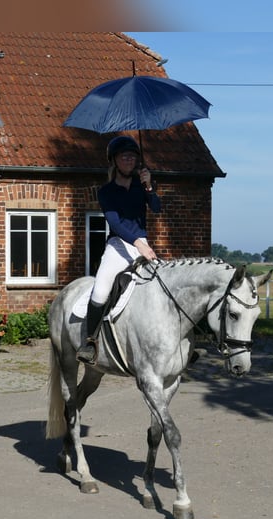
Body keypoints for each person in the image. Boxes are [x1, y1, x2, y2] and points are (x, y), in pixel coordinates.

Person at [76, 135, 162, 365]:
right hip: (119, 245)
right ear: (114, 160)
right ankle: (90, 341)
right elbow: (115, 223)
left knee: (163, 286)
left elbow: (157, 208)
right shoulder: (106, 192)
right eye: (124, 156)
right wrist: (139, 244)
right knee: (101, 290)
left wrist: (149, 187)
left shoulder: (141, 185)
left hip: (141, 244)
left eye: (132, 156)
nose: (129, 159)